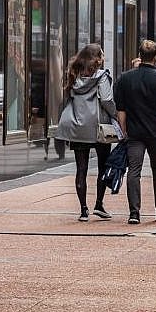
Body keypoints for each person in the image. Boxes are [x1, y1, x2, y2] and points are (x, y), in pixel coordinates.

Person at [114, 40, 156, 225]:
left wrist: (124, 131)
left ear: (139, 55)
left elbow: (121, 109)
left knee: (134, 171)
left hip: (134, 133)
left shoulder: (125, 78)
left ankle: (134, 213)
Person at [54, 43, 115, 222]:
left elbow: (67, 97)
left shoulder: (73, 75)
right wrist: (116, 116)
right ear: (97, 58)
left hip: (77, 126)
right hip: (98, 127)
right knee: (103, 165)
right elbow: (107, 100)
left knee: (81, 168)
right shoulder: (101, 76)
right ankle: (99, 204)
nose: (103, 58)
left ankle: (83, 210)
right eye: (101, 55)